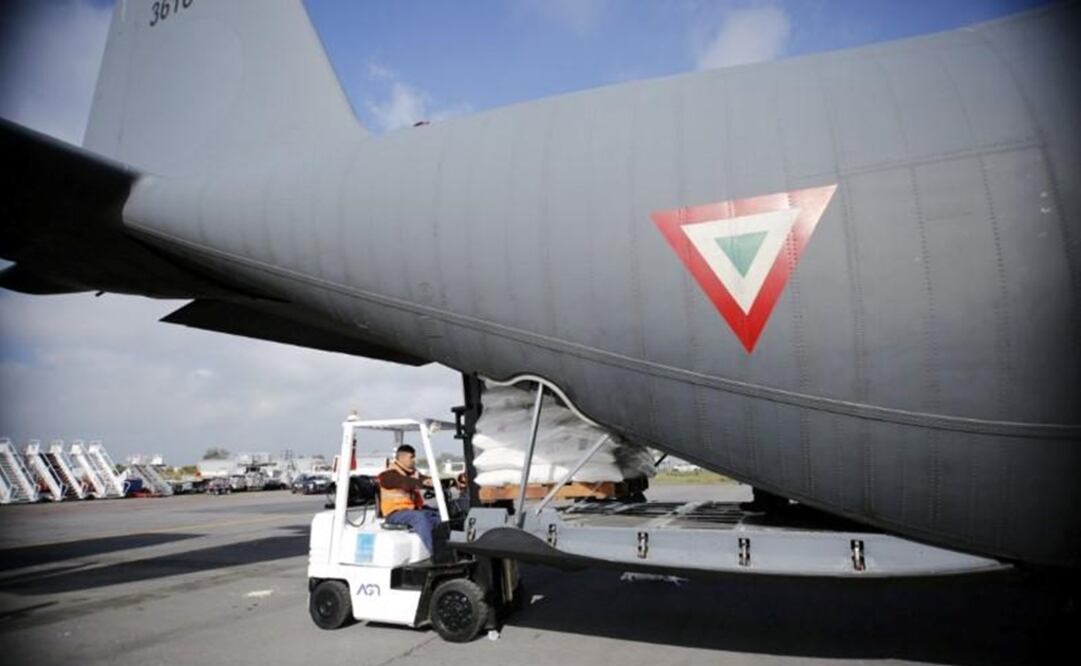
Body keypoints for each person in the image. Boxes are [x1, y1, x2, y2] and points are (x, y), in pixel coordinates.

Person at [377, 444, 442, 555]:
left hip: (410, 511)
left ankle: (447, 548)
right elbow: (404, 482)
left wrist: (435, 482)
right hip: (394, 514)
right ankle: (435, 554)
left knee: (439, 516)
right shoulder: (388, 475)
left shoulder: (412, 473)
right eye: (411, 457)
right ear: (402, 458)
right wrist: (422, 483)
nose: (414, 460)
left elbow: (424, 479)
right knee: (419, 518)